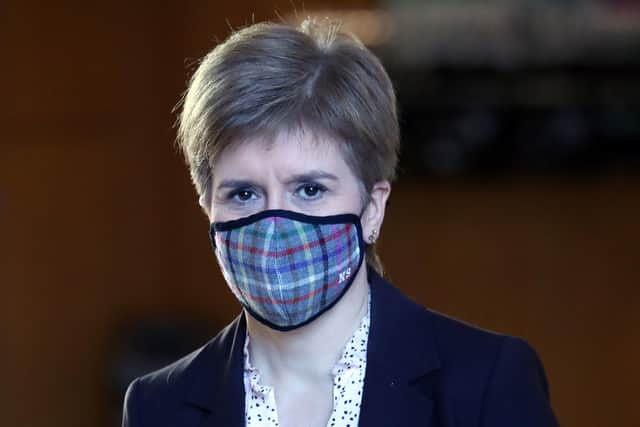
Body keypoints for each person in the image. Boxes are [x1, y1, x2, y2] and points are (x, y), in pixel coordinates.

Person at [122, 18, 559, 427]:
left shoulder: (485, 381)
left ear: (373, 207)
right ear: (207, 206)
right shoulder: (158, 405)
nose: (275, 226)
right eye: (243, 193)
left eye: (310, 190)